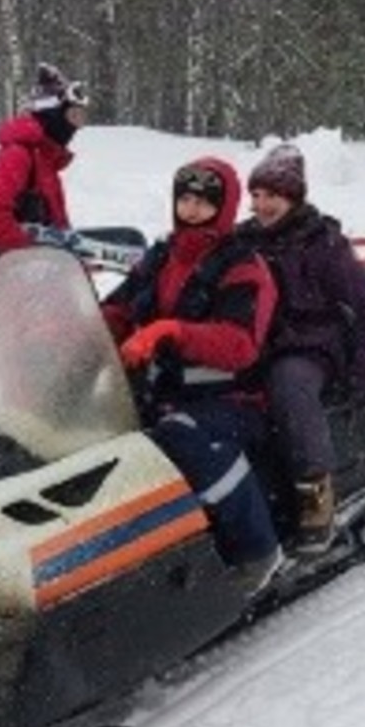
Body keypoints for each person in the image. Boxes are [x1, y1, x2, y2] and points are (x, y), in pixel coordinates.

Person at [99, 157, 283, 592]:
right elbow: (121, 306)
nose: (193, 208)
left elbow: (239, 344)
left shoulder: (242, 266)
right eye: (185, 198)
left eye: (204, 200)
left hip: (229, 397)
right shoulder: (160, 257)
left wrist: (173, 331)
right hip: (156, 388)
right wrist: (77, 327)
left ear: (225, 205)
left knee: (185, 437)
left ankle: (257, 549)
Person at [237, 144, 365, 553]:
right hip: (252, 342)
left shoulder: (322, 243)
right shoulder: (243, 240)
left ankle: (314, 493)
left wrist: (363, 374)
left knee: (289, 387)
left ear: (293, 197)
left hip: (310, 345)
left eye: (272, 196)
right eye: (256, 195)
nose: (262, 205)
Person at [0, 62, 88, 253]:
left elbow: (56, 227)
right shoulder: (18, 155)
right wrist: (29, 254)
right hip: (13, 274)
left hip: (39, 275)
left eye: (81, 118)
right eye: (73, 116)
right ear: (53, 114)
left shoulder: (45, 161)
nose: (76, 127)